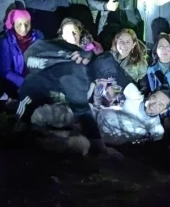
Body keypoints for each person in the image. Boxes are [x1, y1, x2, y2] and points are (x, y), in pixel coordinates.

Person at [16, 18, 104, 152]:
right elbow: (30, 59)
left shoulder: (87, 55)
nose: (72, 36)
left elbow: (85, 94)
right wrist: (64, 57)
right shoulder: (46, 45)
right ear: (61, 34)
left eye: (75, 32)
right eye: (68, 32)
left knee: (80, 143)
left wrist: (97, 141)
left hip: (73, 104)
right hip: (45, 98)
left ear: (80, 35)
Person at [93, 82, 170, 146]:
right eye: (154, 98)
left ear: (164, 111)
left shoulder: (157, 129)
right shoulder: (134, 95)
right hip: (93, 119)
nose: (154, 105)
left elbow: (149, 141)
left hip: (102, 144)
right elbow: (116, 82)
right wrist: (113, 94)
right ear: (149, 95)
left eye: (161, 105)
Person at [0, 9, 44, 98]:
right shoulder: (5, 41)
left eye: (27, 24)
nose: (24, 28)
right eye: (19, 24)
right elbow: (5, 71)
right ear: (13, 24)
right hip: (15, 82)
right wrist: (25, 83)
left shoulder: (39, 36)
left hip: (35, 79)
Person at [145, 34, 170, 119]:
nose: (164, 49)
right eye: (161, 46)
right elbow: (154, 91)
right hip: (160, 110)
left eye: (168, 46)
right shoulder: (151, 69)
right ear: (156, 49)